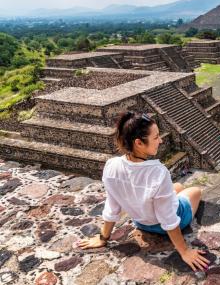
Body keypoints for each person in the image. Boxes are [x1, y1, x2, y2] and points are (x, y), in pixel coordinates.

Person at [78, 112, 209, 272]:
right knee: (195, 190)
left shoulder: (111, 166)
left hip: (141, 222)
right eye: (156, 137)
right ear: (139, 143)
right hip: (168, 224)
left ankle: (176, 194)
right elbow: (168, 220)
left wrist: (103, 238)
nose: (160, 141)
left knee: (177, 187)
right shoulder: (158, 173)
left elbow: (112, 207)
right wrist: (184, 251)